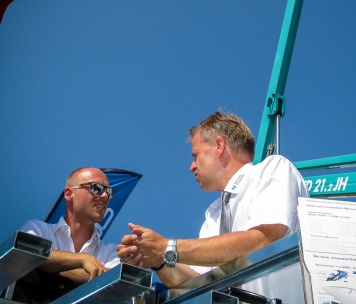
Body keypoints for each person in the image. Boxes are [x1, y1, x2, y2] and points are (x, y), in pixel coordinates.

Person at [118, 111, 309, 304]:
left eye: (196, 155)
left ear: (219, 146)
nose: (191, 167)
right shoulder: (214, 213)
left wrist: (167, 247)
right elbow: (199, 285)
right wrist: (159, 260)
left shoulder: (273, 169)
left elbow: (263, 239)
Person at [13, 167, 129, 303]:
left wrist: (48, 266)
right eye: (96, 188)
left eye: (109, 192)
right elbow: (23, 253)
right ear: (69, 194)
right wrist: (82, 260)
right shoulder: (38, 229)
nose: (104, 196)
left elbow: (115, 285)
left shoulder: (110, 252)